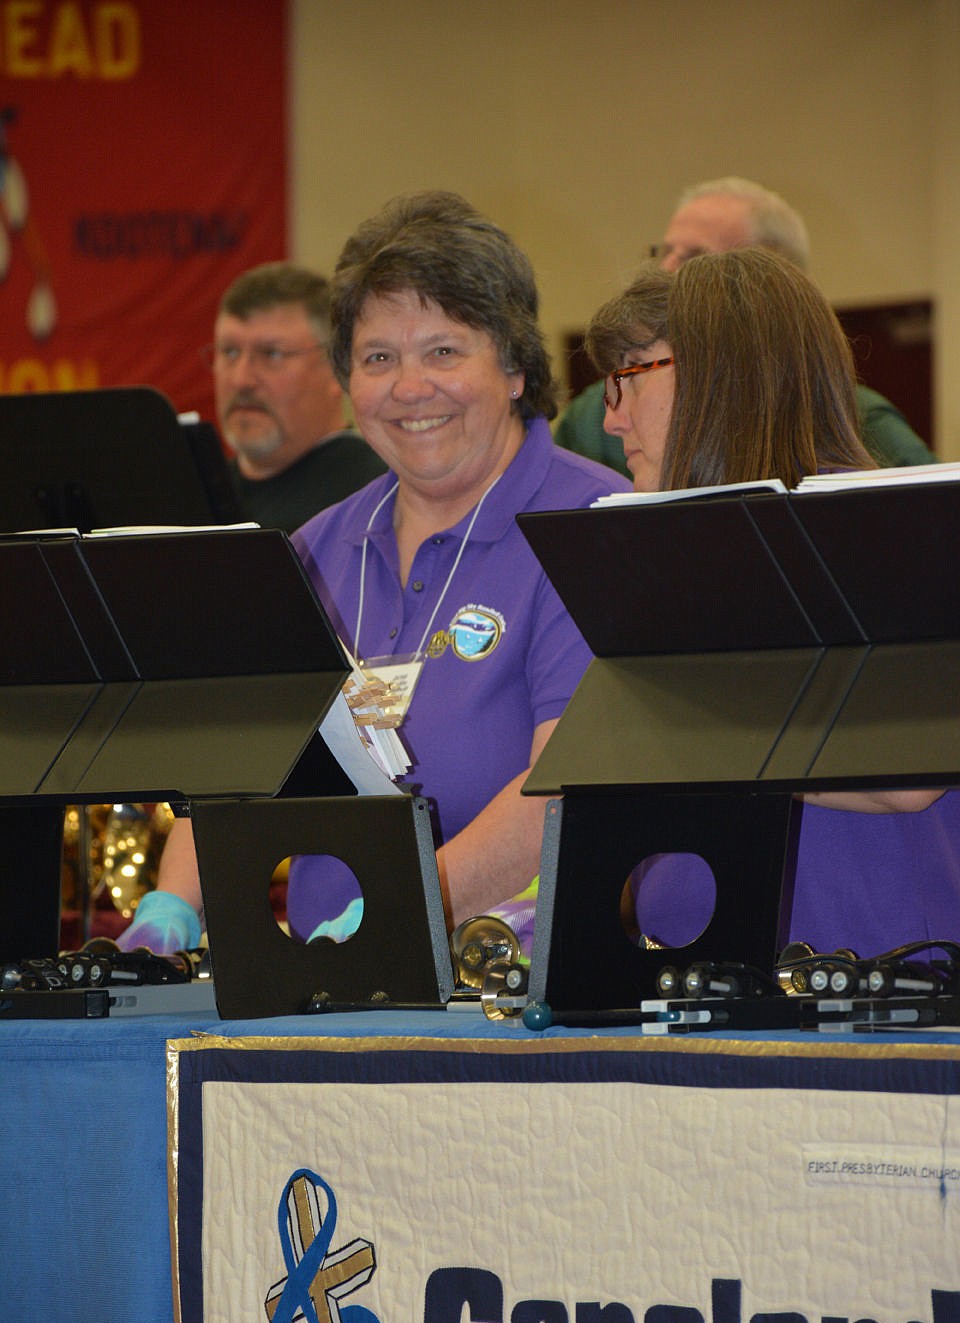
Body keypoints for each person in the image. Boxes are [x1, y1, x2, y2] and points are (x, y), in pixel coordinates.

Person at [118, 190, 630, 954]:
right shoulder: (314, 550)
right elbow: (235, 771)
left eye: (444, 352)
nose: (410, 388)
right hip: (328, 974)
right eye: (378, 358)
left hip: (507, 985)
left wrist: (402, 915)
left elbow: (562, 794)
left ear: (517, 366)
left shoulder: (593, 528)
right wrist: (170, 910)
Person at [583, 246, 959, 960]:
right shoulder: (669, 555)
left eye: (626, 378)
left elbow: (902, 775)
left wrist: (679, 736)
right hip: (693, 971)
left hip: (879, 989)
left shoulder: (890, 529)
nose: (612, 419)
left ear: (723, 374)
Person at [556, 176, 938, 478]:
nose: (667, 269)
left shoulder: (859, 420)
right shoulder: (590, 416)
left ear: (765, 284)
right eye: (663, 252)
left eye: (695, 258)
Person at [209, 261, 385, 533]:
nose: (241, 380)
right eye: (230, 352)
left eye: (272, 354)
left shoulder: (374, 500)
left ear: (337, 367)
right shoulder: (195, 499)